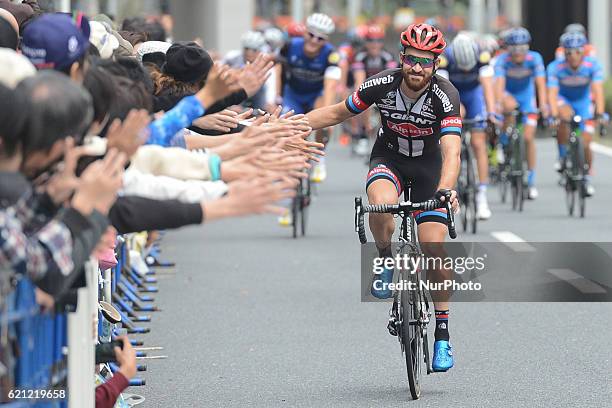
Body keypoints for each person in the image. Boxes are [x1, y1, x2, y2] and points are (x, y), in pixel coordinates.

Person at [304, 23, 461, 372]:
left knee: (434, 247)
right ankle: (386, 258)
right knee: (379, 201)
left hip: (429, 170)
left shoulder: (445, 94)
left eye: (426, 61)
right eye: (412, 60)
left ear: (436, 64)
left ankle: (443, 334)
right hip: (388, 158)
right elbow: (336, 113)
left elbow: (452, 150)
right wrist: (296, 125)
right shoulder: (382, 84)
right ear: (402, 58)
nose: (417, 68)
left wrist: (446, 189)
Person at [276, 12, 341, 187]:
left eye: (320, 38)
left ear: (326, 40)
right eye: (311, 35)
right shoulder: (290, 46)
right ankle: (292, 164)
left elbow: (330, 87)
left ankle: (319, 158)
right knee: (289, 128)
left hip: (316, 95)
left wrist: (328, 115)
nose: (314, 41)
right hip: (293, 94)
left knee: (326, 122)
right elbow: (278, 72)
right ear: (305, 32)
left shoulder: (331, 55)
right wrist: (276, 97)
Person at [438, 32, 496, 220]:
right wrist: (453, 110)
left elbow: (487, 87)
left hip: (474, 95)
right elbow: (443, 88)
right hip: (453, 94)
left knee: (479, 143)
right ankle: (452, 191)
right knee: (451, 144)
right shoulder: (445, 58)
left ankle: (482, 196)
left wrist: (491, 113)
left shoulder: (482, 55)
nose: (464, 72)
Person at [547, 31, 606, 197]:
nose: (573, 56)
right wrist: (553, 114)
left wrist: (600, 113)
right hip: (563, 99)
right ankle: (563, 156)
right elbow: (552, 94)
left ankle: (586, 177)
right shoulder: (555, 67)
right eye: (569, 52)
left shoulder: (593, 65)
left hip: (583, 102)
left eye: (578, 52)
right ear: (563, 52)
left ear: (584, 51)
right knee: (563, 117)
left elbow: (598, 91)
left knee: (586, 142)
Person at [494, 27, 548, 199]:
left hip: (527, 99)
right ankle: (503, 144)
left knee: (528, 138)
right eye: (514, 49)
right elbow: (499, 84)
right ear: (508, 49)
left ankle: (530, 180)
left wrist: (544, 104)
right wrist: (498, 103)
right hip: (508, 95)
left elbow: (540, 83)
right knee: (508, 107)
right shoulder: (501, 60)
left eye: (522, 49)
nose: (518, 53)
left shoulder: (535, 58)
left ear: (528, 48)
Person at [351, 25, 398, 156]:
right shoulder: (360, 56)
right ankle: (363, 136)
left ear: (382, 43)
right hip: (367, 87)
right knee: (362, 101)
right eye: (371, 41)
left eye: (378, 41)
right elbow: (359, 80)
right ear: (366, 42)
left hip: (385, 88)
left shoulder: (388, 56)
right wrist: (362, 95)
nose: (374, 44)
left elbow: (391, 79)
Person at [223, 30, 275, 111]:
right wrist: (228, 104)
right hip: (235, 93)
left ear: (260, 50)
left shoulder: (265, 61)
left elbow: (270, 82)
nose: (249, 53)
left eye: (254, 50)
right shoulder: (231, 58)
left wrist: (270, 102)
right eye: (247, 49)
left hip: (257, 94)